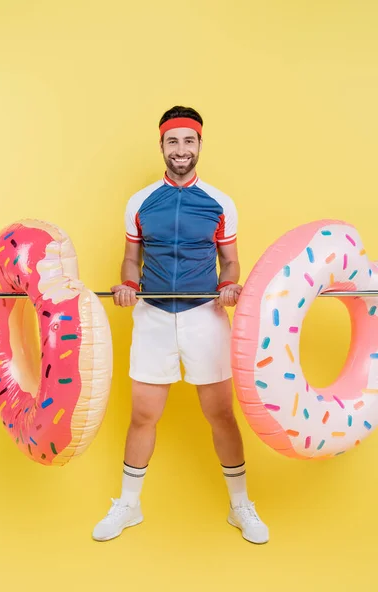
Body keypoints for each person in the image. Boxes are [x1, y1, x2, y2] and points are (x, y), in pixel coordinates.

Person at [92, 106, 269, 544]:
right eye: (173, 141)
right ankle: (128, 505)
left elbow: (230, 262)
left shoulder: (220, 203)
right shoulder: (140, 202)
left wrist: (230, 285)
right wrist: (128, 283)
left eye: (189, 141)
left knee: (221, 415)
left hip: (204, 316)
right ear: (162, 146)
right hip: (152, 315)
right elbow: (131, 256)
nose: (181, 150)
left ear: (200, 145)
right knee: (142, 415)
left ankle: (240, 505)